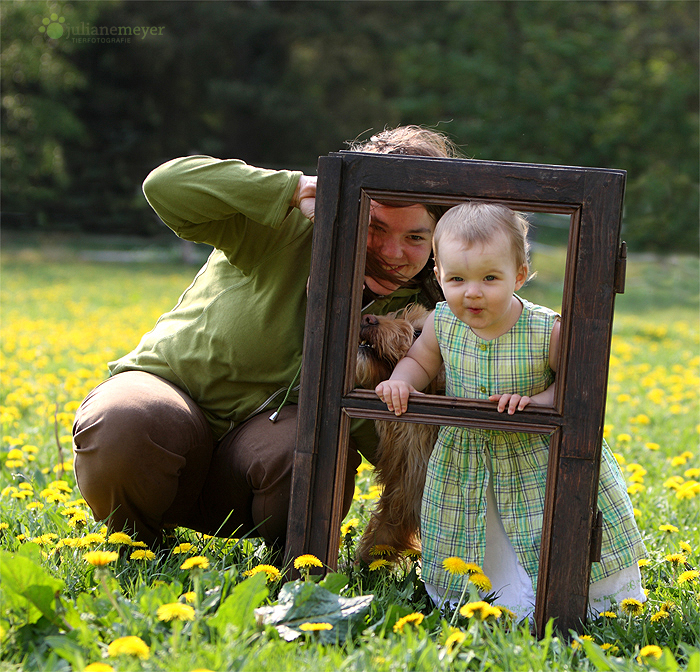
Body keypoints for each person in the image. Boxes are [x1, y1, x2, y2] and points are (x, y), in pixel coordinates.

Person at [72, 125, 458, 552]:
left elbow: (401, 445)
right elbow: (164, 187)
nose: (391, 252)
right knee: (124, 422)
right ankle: (136, 547)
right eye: (375, 227)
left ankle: (280, 561)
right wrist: (294, 189)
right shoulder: (288, 224)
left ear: (438, 242)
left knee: (311, 455)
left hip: (261, 458)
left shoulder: (429, 321)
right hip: (172, 402)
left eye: (415, 237)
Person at [375, 202, 646, 619]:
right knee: (476, 532)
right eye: (457, 279)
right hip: (467, 459)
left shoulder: (545, 329)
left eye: (490, 278)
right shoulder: (442, 322)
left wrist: (541, 402)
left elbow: (578, 384)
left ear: (519, 275)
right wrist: (402, 381)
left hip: (536, 458)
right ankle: (491, 601)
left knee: (546, 531)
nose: (473, 292)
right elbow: (421, 361)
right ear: (438, 276)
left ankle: (592, 602)